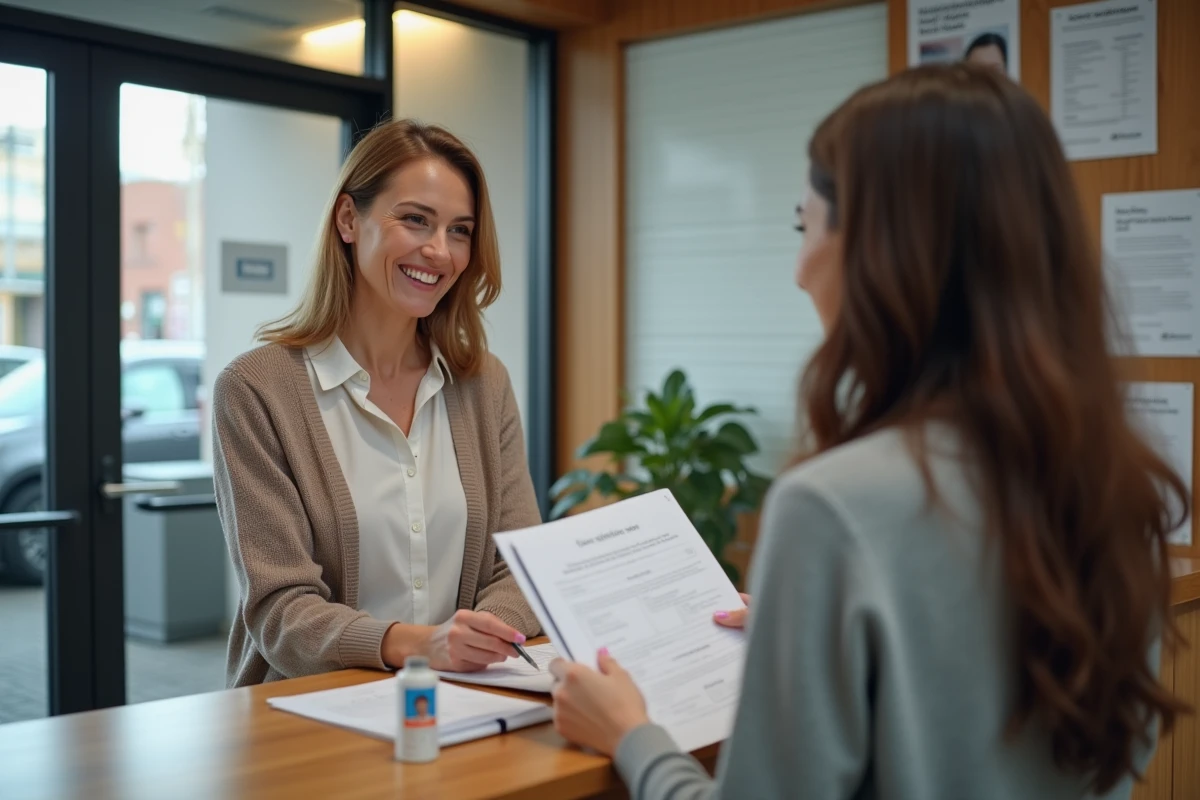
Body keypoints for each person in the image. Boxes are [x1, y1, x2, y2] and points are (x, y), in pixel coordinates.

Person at [548, 65, 1189, 799]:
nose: (797, 271)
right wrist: (812, 631)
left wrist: (633, 735)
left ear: (882, 249)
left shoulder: (833, 506)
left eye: (804, 225)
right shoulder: (1114, 489)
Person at [212, 119, 541, 688]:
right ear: (348, 219)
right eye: (415, 219)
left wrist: (480, 638)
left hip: (460, 703)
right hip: (303, 719)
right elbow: (281, 610)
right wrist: (423, 646)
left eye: (460, 230)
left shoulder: (484, 385)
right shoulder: (256, 389)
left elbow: (518, 566)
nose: (439, 251)